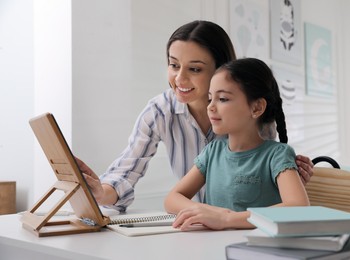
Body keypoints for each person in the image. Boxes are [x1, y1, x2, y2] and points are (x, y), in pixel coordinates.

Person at [77, 20, 313, 213]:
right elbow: (128, 171)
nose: (179, 79)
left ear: (221, 70)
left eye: (195, 69)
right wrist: (100, 191)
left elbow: (275, 180)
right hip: (203, 228)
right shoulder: (160, 111)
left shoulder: (251, 114)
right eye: (173, 65)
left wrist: (288, 173)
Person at [164, 58, 310, 231]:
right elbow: (172, 198)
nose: (210, 107)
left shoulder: (277, 155)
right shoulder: (212, 152)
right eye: (210, 98)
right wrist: (205, 211)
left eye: (223, 99)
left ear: (256, 108)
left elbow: (299, 207)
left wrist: (227, 219)